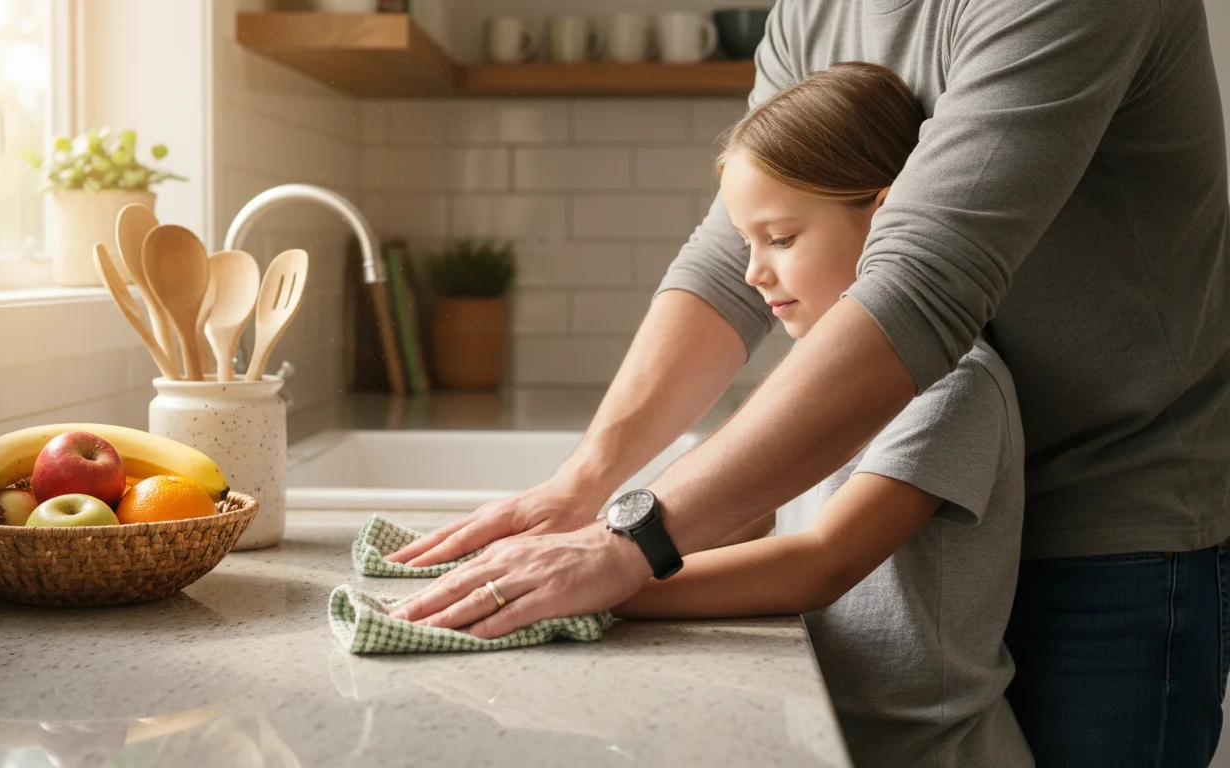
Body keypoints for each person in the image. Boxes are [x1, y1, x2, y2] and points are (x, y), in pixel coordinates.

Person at [388, 0, 1230, 764]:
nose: (766, 270)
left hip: (1114, 523)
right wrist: (584, 488)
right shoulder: (815, 9)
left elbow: (922, 285)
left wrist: (626, 555)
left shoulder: (957, 389)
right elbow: (729, 257)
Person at [611, 62, 1024, 766]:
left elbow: (821, 561)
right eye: (747, 242)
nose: (752, 273)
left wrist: (615, 588)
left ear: (888, 216)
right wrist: (596, 550)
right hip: (832, 738)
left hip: (935, 752)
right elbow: (748, 514)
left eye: (779, 238)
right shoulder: (812, 378)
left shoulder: (955, 385)